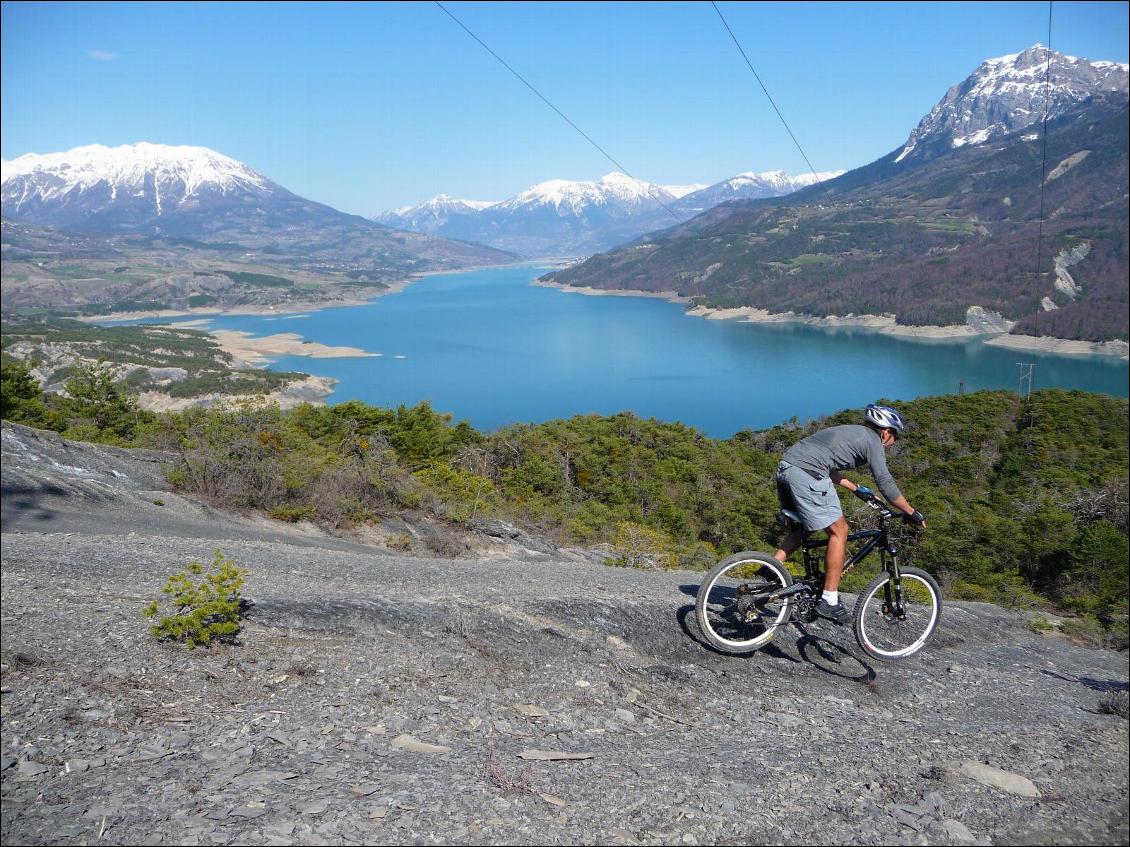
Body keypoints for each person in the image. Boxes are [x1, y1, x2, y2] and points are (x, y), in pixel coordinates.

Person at [773, 403, 925, 625]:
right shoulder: (873, 441)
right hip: (807, 474)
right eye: (895, 437)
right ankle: (829, 599)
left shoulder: (853, 432)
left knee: (801, 526)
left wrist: (856, 489)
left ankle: (772, 569)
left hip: (786, 469)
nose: (893, 443)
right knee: (840, 530)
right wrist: (911, 512)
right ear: (886, 432)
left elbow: (826, 466)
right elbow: (885, 482)